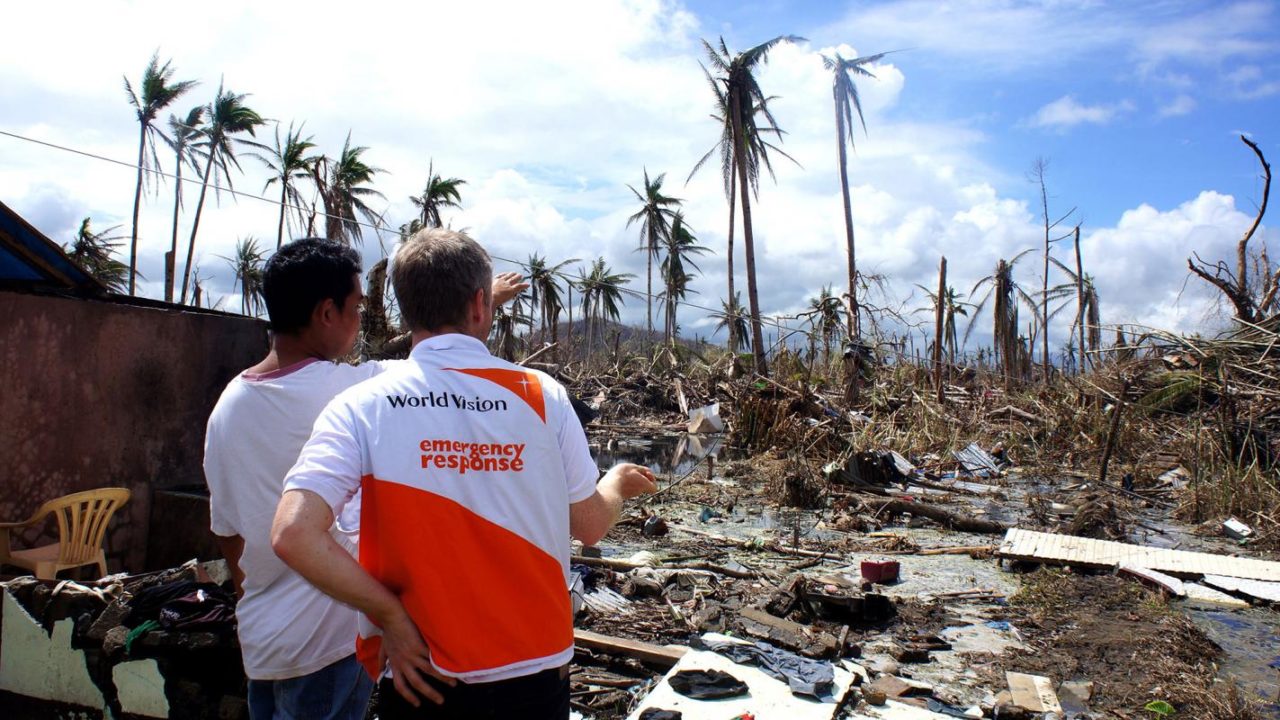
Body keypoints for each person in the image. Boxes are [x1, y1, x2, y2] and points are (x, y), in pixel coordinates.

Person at [271, 228, 656, 719]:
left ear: (406, 309)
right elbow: (589, 526)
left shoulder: (361, 405)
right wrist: (616, 483)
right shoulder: (541, 394)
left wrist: (391, 617)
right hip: (534, 672)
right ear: (481, 304)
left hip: (424, 677)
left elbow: (292, 532)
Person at [205, 237, 526, 720]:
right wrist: (479, 304)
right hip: (326, 637)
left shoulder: (228, 404)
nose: (360, 321)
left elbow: (227, 533)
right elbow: (431, 363)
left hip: (262, 638)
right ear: (327, 313)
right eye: (356, 308)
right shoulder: (351, 390)